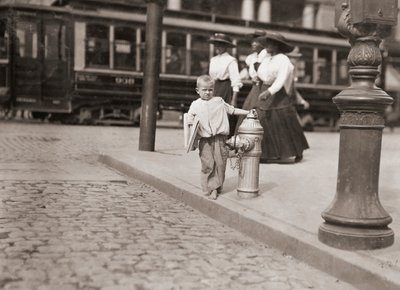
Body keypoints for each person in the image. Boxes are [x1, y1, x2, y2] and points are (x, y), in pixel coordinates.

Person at [186, 75, 250, 200]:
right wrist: (190, 126)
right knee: (207, 163)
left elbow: (231, 110)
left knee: (220, 163)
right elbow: (189, 119)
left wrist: (247, 112)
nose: (207, 92)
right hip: (205, 140)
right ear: (197, 90)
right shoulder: (195, 104)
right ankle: (210, 187)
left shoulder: (219, 101)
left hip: (220, 138)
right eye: (204, 90)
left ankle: (216, 186)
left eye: (210, 89)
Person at [255, 32, 309, 163]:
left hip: (277, 92)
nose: (268, 45)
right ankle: (266, 154)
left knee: (285, 120)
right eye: (267, 43)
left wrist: (269, 92)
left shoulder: (283, 59)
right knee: (263, 120)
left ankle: (297, 150)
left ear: (278, 46)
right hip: (264, 88)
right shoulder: (266, 58)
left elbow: (281, 79)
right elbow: (260, 73)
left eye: (271, 43)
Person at [208, 33, 242, 136]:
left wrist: (234, 99)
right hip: (215, 88)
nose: (217, 47)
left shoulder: (231, 60)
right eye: (216, 44)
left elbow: (235, 80)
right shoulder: (213, 60)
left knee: (225, 115)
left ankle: (226, 140)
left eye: (221, 44)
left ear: (226, 46)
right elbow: (212, 78)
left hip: (226, 88)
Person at [236, 30, 271, 130]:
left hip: (263, 88)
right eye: (253, 41)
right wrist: (235, 79)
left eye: (257, 41)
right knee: (248, 111)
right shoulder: (251, 57)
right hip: (255, 88)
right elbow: (246, 72)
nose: (253, 43)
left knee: (259, 114)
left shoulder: (267, 56)